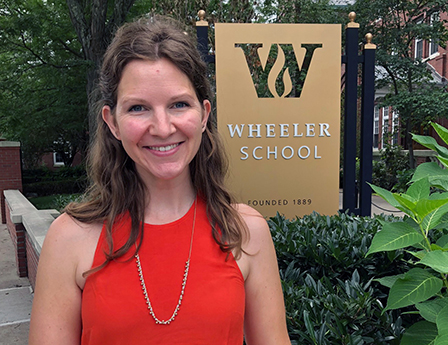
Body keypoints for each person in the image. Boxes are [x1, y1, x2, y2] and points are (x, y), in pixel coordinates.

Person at [29, 15, 291, 345]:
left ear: (204, 114)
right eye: (138, 108)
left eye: (179, 104)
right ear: (113, 123)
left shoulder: (247, 231)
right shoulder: (69, 238)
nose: (163, 127)